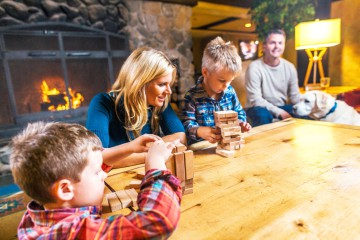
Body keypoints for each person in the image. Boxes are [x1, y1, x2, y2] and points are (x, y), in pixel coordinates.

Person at [10, 121, 182, 239]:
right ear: (65, 190)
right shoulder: (73, 233)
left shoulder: (44, 206)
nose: (104, 174)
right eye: (96, 172)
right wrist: (156, 164)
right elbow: (157, 220)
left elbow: (83, 166)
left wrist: (130, 147)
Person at [86, 47, 186, 168]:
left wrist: (120, 154)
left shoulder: (159, 101)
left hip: (146, 170)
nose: (169, 91)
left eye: (169, 84)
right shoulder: (102, 103)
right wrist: (155, 155)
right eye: (161, 84)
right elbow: (97, 157)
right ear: (140, 83)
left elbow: (180, 138)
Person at [181, 36, 251, 145]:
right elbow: (186, 124)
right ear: (205, 72)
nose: (226, 86)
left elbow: (239, 112)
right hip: (201, 148)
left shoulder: (230, 92)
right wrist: (199, 131)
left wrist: (241, 123)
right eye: (222, 80)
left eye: (230, 81)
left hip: (227, 144)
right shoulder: (192, 97)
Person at [245, 29, 302, 127]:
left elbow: (294, 96)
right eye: (272, 43)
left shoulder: (290, 67)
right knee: (262, 115)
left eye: (280, 43)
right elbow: (255, 99)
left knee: (304, 113)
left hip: (281, 106)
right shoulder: (254, 67)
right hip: (258, 107)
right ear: (264, 46)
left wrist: (310, 104)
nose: (277, 46)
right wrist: (279, 112)